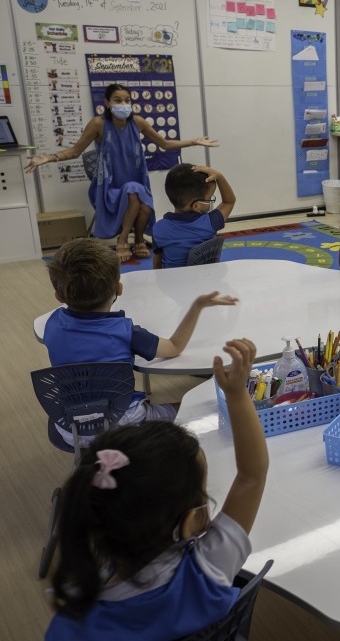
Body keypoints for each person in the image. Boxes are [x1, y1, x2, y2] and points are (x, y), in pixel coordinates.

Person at [45, 338, 268, 641]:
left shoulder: (70, 627)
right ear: (190, 524)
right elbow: (252, 476)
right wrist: (237, 395)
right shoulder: (206, 574)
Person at [43, 239, 238, 447]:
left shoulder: (52, 324)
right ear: (119, 288)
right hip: (122, 424)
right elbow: (174, 347)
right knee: (194, 408)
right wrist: (197, 306)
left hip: (69, 427)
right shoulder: (125, 331)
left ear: (57, 295)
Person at [25, 83, 219, 262]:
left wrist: (194, 141)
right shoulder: (98, 124)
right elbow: (75, 151)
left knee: (142, 203)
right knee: (132, 192)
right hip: (110, 186)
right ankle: (124, 240)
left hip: (137, 180)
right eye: (118, 100)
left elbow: (165, 144)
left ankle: (139, 240)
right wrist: (49, 158)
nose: (123, 104)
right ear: (108, 103)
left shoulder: (138, 122)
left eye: (127, 100)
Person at [152, 164, 236, 269]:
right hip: (206, 281)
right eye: (209, 198)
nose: (210, 201)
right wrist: (219, 176)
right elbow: (229, 202)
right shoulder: (210, 223)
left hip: (173, 283)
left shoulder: (159, 229)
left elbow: (157, 265)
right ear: (196, 205)